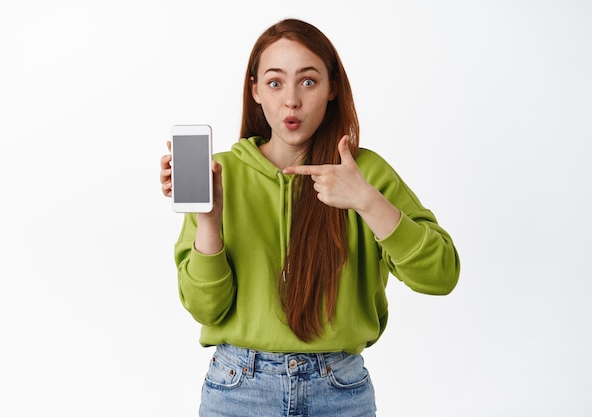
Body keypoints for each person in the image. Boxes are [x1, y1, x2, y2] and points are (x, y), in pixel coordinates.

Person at [159, 18, 460, 417]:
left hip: (340, 390)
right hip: (238, 390)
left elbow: (440, 276)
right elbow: (205, 309)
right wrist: (210, 221)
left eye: (308, 81)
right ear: (255, 91)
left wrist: (367, 202)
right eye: (275, 82)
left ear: (332, 88)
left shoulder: (364, 174)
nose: (291, 102)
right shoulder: (221, 174)